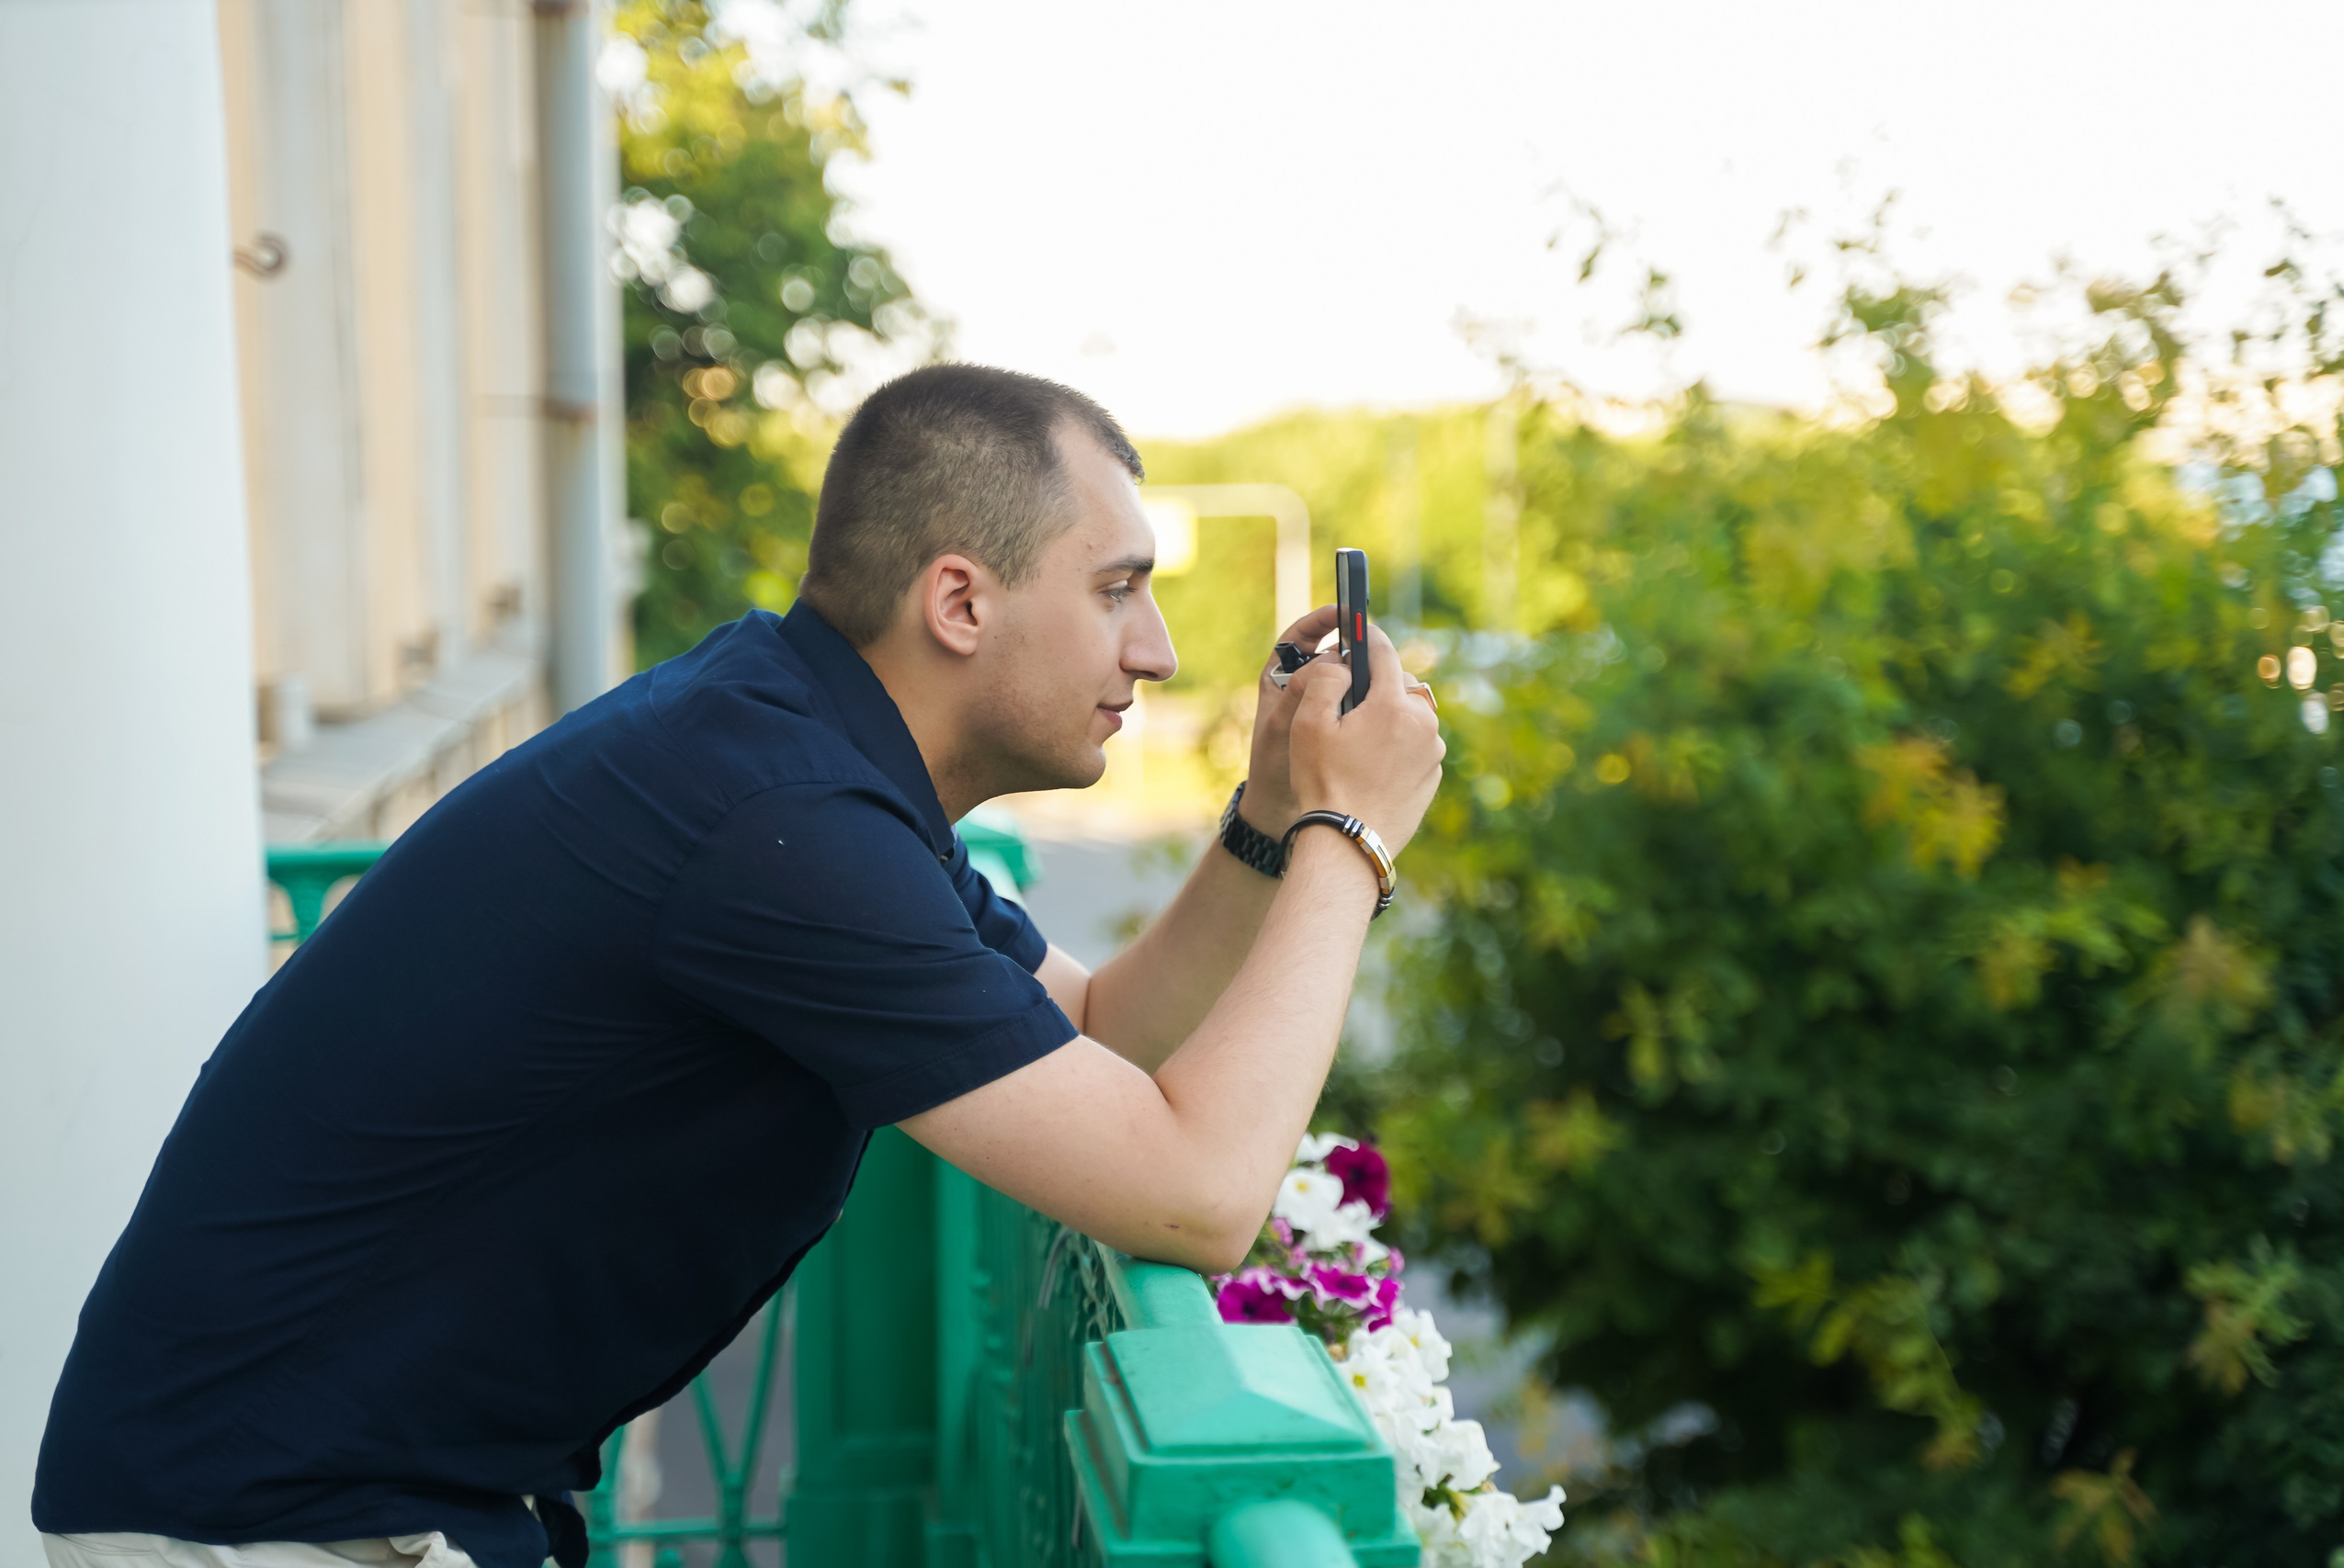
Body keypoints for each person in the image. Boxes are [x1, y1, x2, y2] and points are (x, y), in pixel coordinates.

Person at [32, 365, 1445, 1568]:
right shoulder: (778, 822)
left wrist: (1270, 819)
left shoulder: (800, 758)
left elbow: (1101, 1032)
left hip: (325, 1496)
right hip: (261, 1525)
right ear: (960, 600)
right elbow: (1198, 1197)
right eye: (1118, 588)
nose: (1159, 650)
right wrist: (1350, 835)